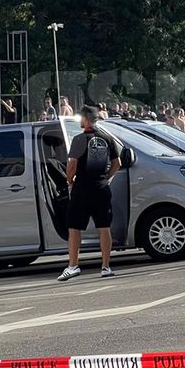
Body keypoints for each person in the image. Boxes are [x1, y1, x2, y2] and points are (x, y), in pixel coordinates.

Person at [57, 106, 122, 281]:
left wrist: (69, 180)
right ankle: (106, 266)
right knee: (104, 227)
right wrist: (106, 178)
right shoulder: (107, 138)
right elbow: (117, 163)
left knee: (74, 228)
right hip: (101, 188)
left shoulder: (80, 139)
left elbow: (72, 165)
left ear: (85, 119)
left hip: (82, 189)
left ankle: (73, 266)